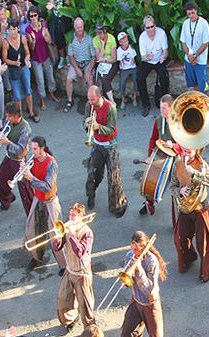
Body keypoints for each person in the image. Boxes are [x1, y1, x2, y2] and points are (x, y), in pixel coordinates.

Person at [120, 230, 174, 337]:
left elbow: (149, 289)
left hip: (151, 304)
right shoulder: (129, 256)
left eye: (137, 249)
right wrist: (127, 277)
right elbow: (127, 280)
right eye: (132, 247)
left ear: (144, 248)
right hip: (136, 300)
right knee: (126, 329)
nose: (133, 252)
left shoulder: (151, 261)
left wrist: (139, 271)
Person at [170, 144, 209, 283]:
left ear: (196, 150)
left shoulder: (202, 165)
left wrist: (194, 172)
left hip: (200, 209)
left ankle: (205, 273)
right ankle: (189, 258)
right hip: (185, 207)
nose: (186, 153)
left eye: (189, 151)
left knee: (203, 243)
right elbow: (172, 186)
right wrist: (179, 191)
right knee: (180, 238)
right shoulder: (178, 163)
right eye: (185, 150)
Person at [22, 136, 66, 272]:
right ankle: (36, 257)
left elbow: (47, 186)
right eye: (32, 148)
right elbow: (30, 180)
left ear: (42, 148)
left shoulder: (51, 164)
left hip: (50, 201)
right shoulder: (33, 160)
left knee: (56, 234)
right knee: (31, 229)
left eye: (35, 149)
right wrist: (23, 173)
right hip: (38, 199)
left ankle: (64, 265)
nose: (32, 151)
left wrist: (31, 178)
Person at [84, 85, 128, 216]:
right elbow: (85, 121)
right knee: (92, 173)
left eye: (93, 100)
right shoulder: (89, 105)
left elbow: (112, 130)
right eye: (89, 99)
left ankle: (116, 205)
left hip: (110, 146)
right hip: (97, 144)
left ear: (99, 97)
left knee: (114, 178)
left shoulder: (111, 108)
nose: (90, 102)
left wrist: (98, 127)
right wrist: (86, 124)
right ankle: (90, 195)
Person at [55, 203, 94, 331]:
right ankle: (71, 319)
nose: (70, 217)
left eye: (74, 215)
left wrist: (71, 235)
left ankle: (90, 331)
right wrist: (58, 238)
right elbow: (57, 248)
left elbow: (81, 252)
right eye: (70, 214)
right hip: (70, 270)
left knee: (85, 306)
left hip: (82, 274)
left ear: (82, 217)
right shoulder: (68, 227)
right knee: (63, 299)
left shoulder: (87, 233)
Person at [0, 102, 33, 214]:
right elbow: (5, 135)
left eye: (9, 116)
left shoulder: (26, 129)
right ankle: (8, 199)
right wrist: (0, 136)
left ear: (16, 116)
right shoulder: (9, 122)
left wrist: (7, 142)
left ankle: (33, 214)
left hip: (20, 161)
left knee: (26, 190)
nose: (7, 118)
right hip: (9, 157)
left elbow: (20, 149)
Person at [25, 5, 59, 113]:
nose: (33, 18)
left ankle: (52, 93)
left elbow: (49, 42)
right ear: (29, 17)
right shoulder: (28, 30)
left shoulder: (43, 26)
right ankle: (42, 98)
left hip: (46, 56)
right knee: (40, 80)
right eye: (31, 16)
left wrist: (46, 35)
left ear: (38, 15)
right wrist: (33, 40)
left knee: (50, 76)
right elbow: (31, 48)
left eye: (35, 15)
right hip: (36, 58)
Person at [137, 15, 169, 117]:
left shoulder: (161, 33)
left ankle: (164, 102)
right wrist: (147, 57)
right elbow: (142, 58)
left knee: (163, 76)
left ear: (155, 25)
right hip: (148, 61)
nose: (150, 29)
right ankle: (146, 104)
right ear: (144, 28)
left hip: (159, 59)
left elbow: (165, 51)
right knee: (139, 78)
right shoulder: (142, 37)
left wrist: (163, 57)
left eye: (152, 26)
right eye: (148, 27)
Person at [63, 17, 95, 113]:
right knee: (69, 79)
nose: (79, 29)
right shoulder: (71, 38)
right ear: (74, 27)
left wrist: (89, 70)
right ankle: (69, 101)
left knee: (89, 80)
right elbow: (70, 56)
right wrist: (76, 69)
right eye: (77, 28)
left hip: (87, 63)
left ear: (83, 26)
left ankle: (91, 103)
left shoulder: (89, 38)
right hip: (76, 63)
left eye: (81, 27)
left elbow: (94, 56)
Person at [180, 2, 209, 93]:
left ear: (196, 11)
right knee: (191, 86)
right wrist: (190, 56)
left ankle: (207, 106)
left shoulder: (204, 23)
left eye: (192, 13)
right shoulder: (185, 24)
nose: (191, 16)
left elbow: (205, 43)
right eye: (189, 14)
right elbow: (183, 42)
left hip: (200, 61)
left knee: (204, 87)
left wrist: (195, 56)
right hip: (188, 59)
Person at [93, 23, 118, 104]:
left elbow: (114, 59)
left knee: (105, 79)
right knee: (103, 78)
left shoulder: (111, 39)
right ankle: (111, 102)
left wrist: (104, 60)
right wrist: (103, 46)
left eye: (100, 33)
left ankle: (110, 102)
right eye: (97, 33)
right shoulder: (95, 40)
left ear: (105, 31)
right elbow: (98, 58)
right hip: (103, 64)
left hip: (112, 63)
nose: (98, 35)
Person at [116, 31, 137, 109]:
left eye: (127, 41)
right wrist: (121, 63)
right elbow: (120, 61)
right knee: (122, 84)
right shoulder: (118, 50)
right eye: (124, 41)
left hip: (132, 67)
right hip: (124, 69)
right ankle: (123, 99)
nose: (126, 43)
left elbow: (134, 58)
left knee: (136, 81)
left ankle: (134, 98)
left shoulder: (131, 48)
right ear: (120, 43)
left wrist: (133, 60)